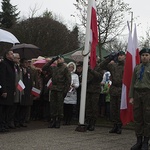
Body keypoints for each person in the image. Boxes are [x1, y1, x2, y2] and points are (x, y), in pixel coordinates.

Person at [100, 51, 126, 134]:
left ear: (125, 56)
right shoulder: (113, 65)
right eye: (118, 55)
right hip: (114, 88)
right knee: (113, 109)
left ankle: (119, 125)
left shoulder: (126, 66)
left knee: (119, 109)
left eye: (121, 55)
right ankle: (114, 125)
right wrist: (109, 58)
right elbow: (102, 66)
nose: (120, 57)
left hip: (122, 88)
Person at [129, 48, 150, 150]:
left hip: (148, 94)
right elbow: (133, 82)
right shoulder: (137, 68)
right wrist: (131, 96)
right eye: (143, 55)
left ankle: (146, 141)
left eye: (146, 55)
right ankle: (139, 141)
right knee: (138, 118)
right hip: (137, 94)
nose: (144, 57)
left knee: (147, 118)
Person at [42, 56, 71, 128]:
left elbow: (68, 81)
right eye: (58, 59)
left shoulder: (65, 68)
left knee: (59, 106)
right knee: (52, 105)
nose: (58, 60)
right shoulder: (54, 68)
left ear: (63, 60)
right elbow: (44, 68)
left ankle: (58, 120)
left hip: (61, 89)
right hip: (54, 88)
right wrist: (52, 60)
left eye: (60, 58)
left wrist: (65, 91)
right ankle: (53, 120)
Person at [0, 50, 16, 132]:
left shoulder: (11, 65)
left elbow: (12, 79)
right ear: (7, 55)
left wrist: (13, 90)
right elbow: (3, 78)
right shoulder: (3, 64)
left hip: (10, 90)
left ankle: (5, 124)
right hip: (5, 90)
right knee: (2, 109)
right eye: (11, 54)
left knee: (8, 109)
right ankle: (1, 125)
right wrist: (3, 90)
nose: (13, 55)